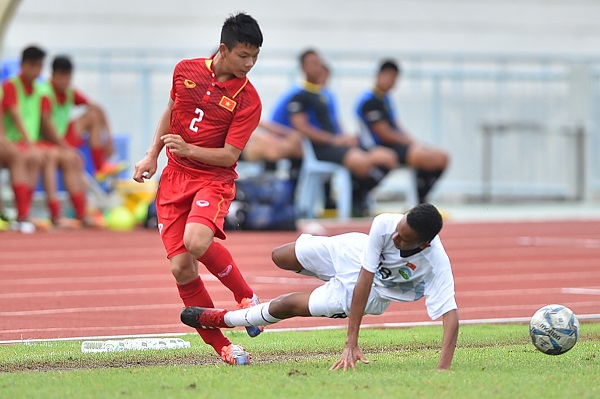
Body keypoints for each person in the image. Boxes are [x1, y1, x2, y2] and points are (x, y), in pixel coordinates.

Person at [180, 203, 459, 371]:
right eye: (399, 228)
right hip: (354, 253)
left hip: (372, 293)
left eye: (403, 238)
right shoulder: (385, 224)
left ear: (422, 244)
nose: (395, 236)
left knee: (286, 305)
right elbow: (365, 272)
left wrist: (443, 369)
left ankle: (224, 319)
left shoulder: (436, 263)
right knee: (281, 256)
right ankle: (319, 282)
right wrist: (352, 340)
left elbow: (451, 317)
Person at [132, 13, 265, 366]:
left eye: (255, 56)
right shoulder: (184, 70)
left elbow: (229, 156)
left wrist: (190, 150)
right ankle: (224, 346)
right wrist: (151, 156)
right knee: (181, 269)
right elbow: (172, 111)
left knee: (197, 242)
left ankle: (246, 296)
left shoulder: (248, 100)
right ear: (224, 49)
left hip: (212, 179)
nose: (250, 63)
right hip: (174, 179)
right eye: (243, 55)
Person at [286, 49, 398, 216]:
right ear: (303, 67)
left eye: (319, 63)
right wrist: (332, 139)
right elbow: (301, 127)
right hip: (321, 148)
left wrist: (345, 137)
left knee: (388, 158)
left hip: (336, 145)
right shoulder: (298, 96)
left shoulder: (325, 95)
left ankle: (357, 196)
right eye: (313, 64)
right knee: (363, 162)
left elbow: (335, 123)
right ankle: (354, 200)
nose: (317, 67)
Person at [356, 60, 449, 203]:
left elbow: (396, 126)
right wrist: (408, 143)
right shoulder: (369, 100)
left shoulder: (386, 99)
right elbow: (383, 133)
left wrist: (413, 142)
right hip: (379, 146)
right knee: (425, 158)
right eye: (390, 77)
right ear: (380, 75)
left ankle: (419, 198)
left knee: (441, 157)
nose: (393, 82)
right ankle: (358, 195)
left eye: (395, 79)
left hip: (395, 145)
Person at [44, 55, 124, 183]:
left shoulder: (69, 92)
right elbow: (46, 126)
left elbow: (97, 108)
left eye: (68, 77)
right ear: (53, 75)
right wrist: (65, 148)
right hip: (49, 141)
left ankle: (101, 166)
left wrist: (108, 137)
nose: (65, 81)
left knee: (92, 115)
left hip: (63, 135)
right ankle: (99, 166)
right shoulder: (45, 94)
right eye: (61, 76)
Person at [2, 45, 47, 232]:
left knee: (37, 157)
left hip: (20, 142)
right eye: (33, 66)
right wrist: (30, 145)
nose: (37, 71)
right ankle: (22, 216)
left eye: (39, 66)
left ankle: (25, 213)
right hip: (7, 140)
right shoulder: (11, 85)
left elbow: (45, 119)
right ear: (23, 65)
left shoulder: (39, 90)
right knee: (21, 156)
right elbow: (16, 116)